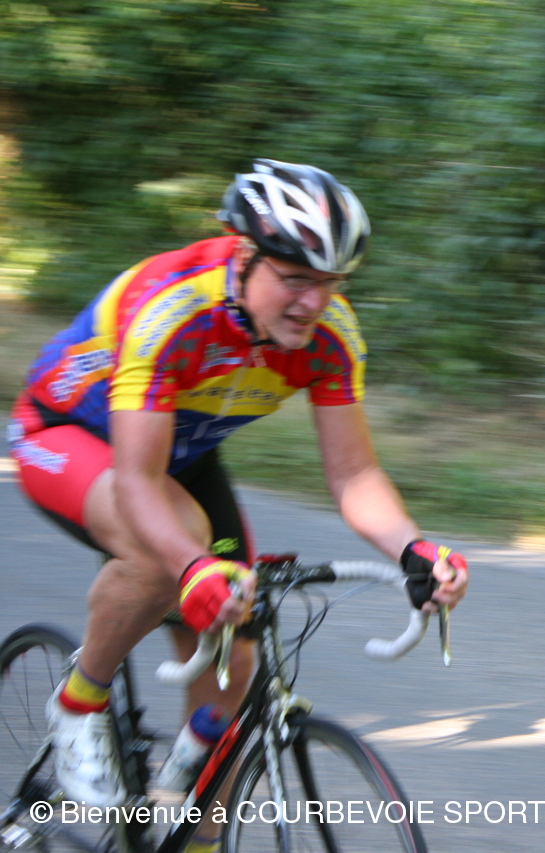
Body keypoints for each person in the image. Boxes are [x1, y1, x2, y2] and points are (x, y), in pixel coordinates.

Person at [7, 160, 467, 835]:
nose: (313, 302)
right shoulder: (171, 309)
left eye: (331, 282)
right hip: (65, 435)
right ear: (245, 256)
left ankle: (192, 831)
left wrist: (413, 548)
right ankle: (79, 703)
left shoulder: (330, 337)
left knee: (234, 669)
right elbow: (137, 481)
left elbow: (353, 474)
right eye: (296, 279)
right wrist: (190, 565)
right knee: (169, 552)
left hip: (179, 457)